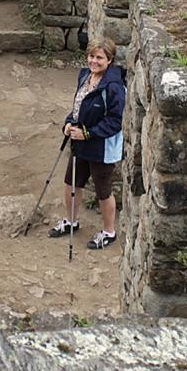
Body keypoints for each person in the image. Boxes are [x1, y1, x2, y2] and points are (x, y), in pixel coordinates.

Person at [50, 37, 127, 250]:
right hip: (79, 140)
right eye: (91, 56)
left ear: (109, 60)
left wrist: (88, 133)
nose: (94, 61)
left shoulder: (114, 87)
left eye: (99, 58)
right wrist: (68, 123)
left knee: (103, 189)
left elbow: (116, 121)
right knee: (71, 182)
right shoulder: (85, 75)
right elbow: (78, 107)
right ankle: (71, 221)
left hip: (101, 147)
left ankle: (109, 232)